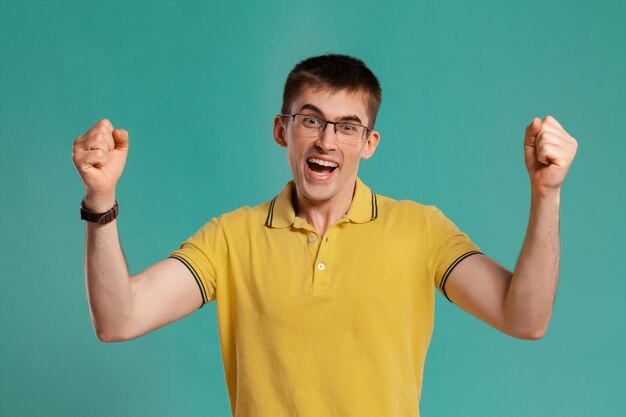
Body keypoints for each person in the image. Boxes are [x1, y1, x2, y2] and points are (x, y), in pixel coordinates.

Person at [71, 54, 578, 417]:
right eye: (310, 120)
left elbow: (524, 317)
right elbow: (119, 320)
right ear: (281, 130)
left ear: (369, 143)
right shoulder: (231, 238)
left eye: (347, 126)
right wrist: (100, 201)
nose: (327, 140)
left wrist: (546, 195)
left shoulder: (420, 229)